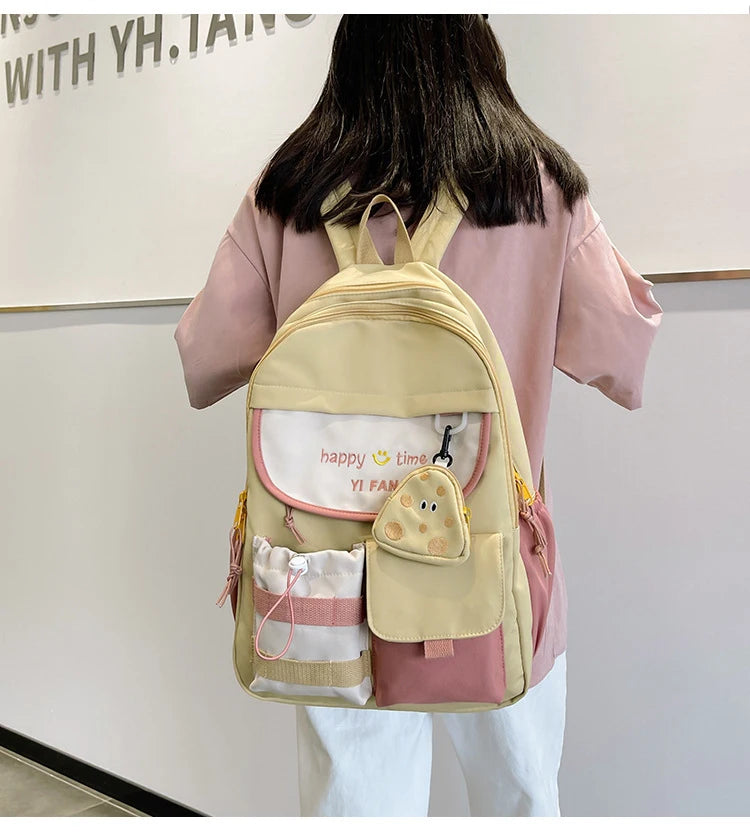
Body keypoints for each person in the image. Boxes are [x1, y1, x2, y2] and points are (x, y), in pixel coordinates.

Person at [174, 14, 663, 817]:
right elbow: (626, 356)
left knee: (355, 809)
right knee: (519, 800)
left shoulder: (288, 190)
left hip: (328, 575)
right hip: (492, 562)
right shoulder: (536, 184)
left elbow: (204, 361)